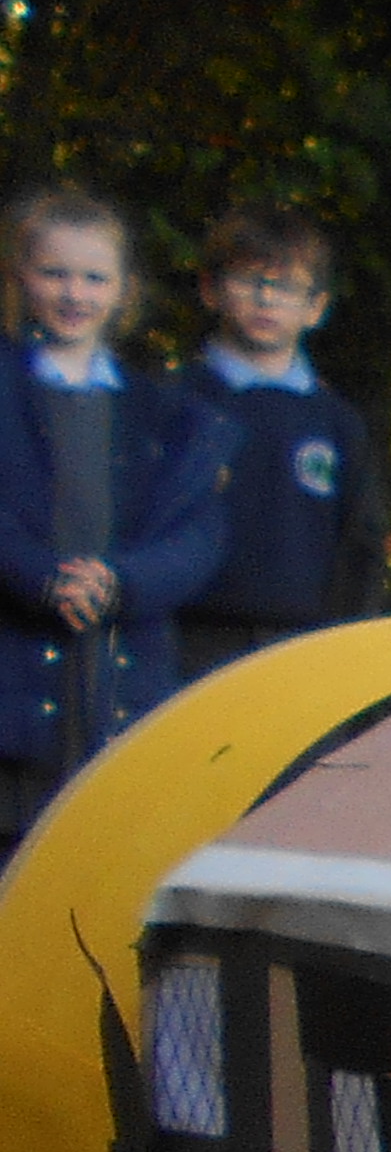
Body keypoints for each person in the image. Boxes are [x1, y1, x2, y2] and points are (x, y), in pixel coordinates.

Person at [0, 184, 231, 837]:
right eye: (55, 273)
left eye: (94, 278)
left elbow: (199, 536)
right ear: (20, 276)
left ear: (124, 289)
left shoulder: (167, 414)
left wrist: (119, 582)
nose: (74, 294)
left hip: (123, 674)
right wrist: (42, 579)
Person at [176, 203, 391, 667]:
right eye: (249, 280)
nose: (267, 299)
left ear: (316, 307)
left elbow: (362, 547)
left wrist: (346, 647)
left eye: (287, 287)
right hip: (189, 643)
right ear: (210, 289)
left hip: (304, 649)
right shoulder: (175, 401)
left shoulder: (337, 423)